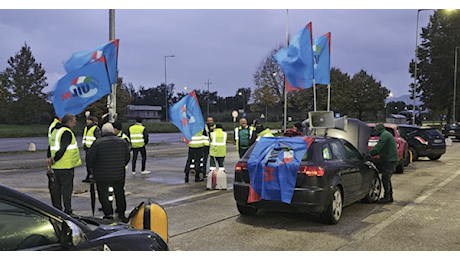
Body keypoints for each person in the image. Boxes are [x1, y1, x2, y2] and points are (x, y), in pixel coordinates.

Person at [86, 123, 130, 222]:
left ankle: (108, 213)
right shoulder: (122, 142)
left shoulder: (97, 143)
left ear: (102, 132)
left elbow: (90, 159)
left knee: (104, 194)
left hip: (102, 175)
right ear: (113, 131)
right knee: (120, 193)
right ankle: (121, 213)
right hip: (119, 174)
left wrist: (92, 169)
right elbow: (127, 157)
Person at [47, 113, 81, 215]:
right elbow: (63, 148)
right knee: (66, 189)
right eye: (73, 122)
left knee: (57, 189)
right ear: (69, 122)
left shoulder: (55, 130)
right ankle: (68, 210)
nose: (74, 124)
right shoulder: (66, 132)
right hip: (65, 165)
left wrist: (50, 158)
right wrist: (56, 158)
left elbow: (50, 145)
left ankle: (57, 209)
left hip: (56, 166)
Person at [367, 123, 399, 204]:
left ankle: (387, 197)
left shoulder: (384, 135)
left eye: (376, 130)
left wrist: (369, 154)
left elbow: (379, 146)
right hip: (391, 159)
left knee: (385, 178)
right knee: (386, 178)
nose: (375, 132)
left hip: (390, 160)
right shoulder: (386, 134)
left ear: (379, 129)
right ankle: (389, 196)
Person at [82, 116, 101, 183]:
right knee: (88, 163)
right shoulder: (86, 128)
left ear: (92, 121)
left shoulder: (95, 129)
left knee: (93, 164)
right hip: (87, 148)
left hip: (93, 149)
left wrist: (94, 147)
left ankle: (93, 177)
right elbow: (85, 137)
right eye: (87, 120)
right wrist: (84, 145)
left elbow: (98, 139)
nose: (87, 121)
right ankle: (89, 176)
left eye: (89, 120)